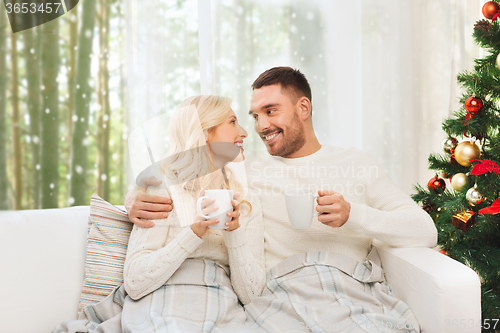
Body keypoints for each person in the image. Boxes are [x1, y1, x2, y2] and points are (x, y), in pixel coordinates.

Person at [125, 67, 438, 332]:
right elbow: (184, 173)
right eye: (255, 116)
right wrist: (134, 198)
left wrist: (353, 214)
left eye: (270, 111)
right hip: (283, 295)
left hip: (351, 289)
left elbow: (423, 230)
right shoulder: (245, 172)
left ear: (303, 108)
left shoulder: (356, 163)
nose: (261, 126)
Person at [54, 95, 266, 333]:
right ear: (205, 132)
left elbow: (252, 295)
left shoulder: (248, 202)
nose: (245, 132)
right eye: (233, 122)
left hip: (220, 307)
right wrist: (192, 234)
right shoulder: (162, 189)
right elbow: (135, 282)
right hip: (162, 304)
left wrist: (234, 232)